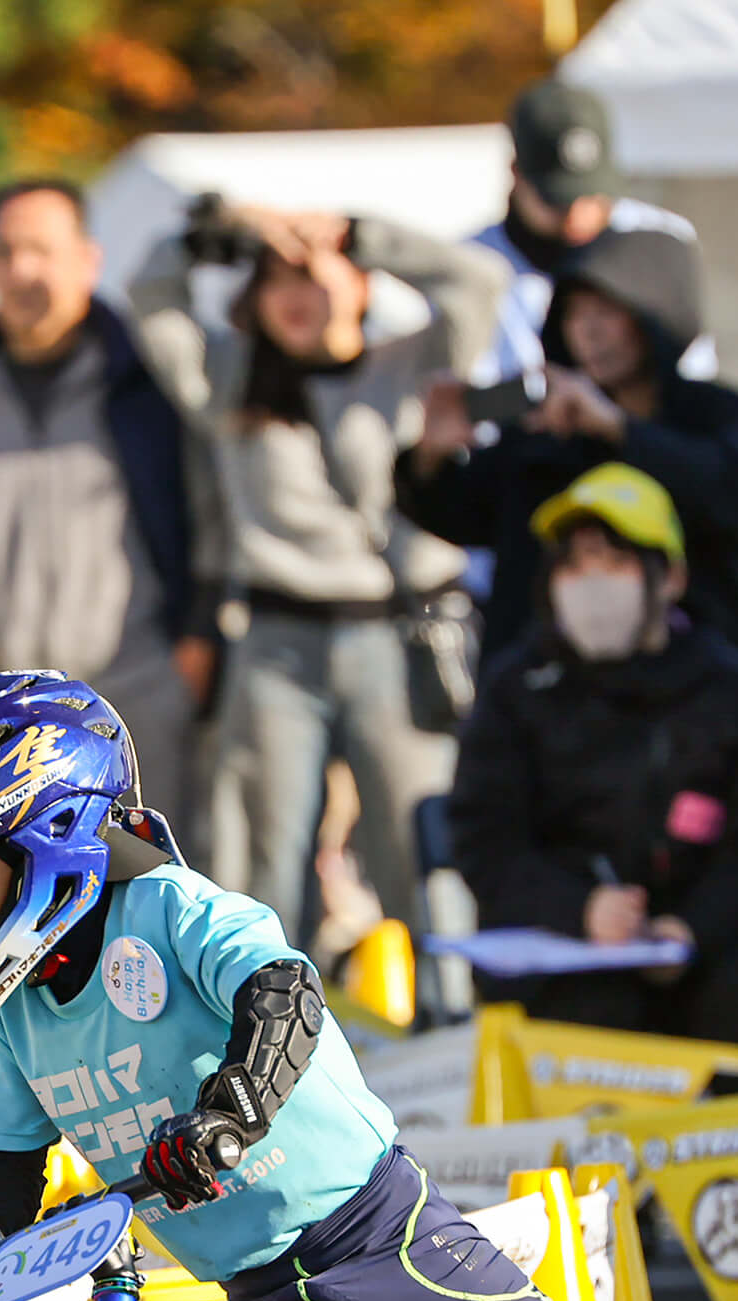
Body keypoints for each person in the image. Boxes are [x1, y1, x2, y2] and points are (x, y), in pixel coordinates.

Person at [0, 668, 612, 1301]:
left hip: (384, 1235)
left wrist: (234, 1109)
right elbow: (1, 1165)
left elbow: (283, 989)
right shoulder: (13, 1016)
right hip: (268, 1298)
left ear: (47, 837)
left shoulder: (172, 908)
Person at [127, 197, 499, 955]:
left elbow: (479, 281)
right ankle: (264, 1036)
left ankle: (449, 1021)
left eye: (315, 275)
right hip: (275, 638)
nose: (297, 295)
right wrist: (227, 233)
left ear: (363, 284)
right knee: (261, 856)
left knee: (419, 848)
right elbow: (151, 293)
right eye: (276, 279)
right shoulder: (229, 380)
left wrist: (361, 232)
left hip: (397, 636)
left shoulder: (412, 364)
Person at [0, 180, 225, 838]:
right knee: (9, 915)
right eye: (4, 252)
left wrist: (194, 651)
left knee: (144, 906)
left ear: (88, 259)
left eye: (41, 250)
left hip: (134, 697)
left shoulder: (147, 384)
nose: (22, 271)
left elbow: (212, 521)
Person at [447, 465, 738, 1045]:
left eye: (615, 562)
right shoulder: (518, 685)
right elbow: (484, 841)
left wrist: (690, 930)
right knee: (592, 1020)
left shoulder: (736, 691)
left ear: (672, 577)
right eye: (574, 564)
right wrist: (579, 910)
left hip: (694, 955)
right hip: (554, 959)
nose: (590, 582)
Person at [397, 226, 738, 688]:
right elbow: (465, 518)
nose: (590, 331)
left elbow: (726, 493)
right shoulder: (545, 424)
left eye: (607, 311)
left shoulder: (713, 413)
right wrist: (432, 457)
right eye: (575, 314)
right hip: (550, 693)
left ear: (653, 312)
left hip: (690, 688)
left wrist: (617, 427)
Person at [468, 79, 714, 392]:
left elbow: (693, 379)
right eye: (556, 200)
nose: (577, 215)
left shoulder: (660, 241)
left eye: (591, 194)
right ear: (516, 175)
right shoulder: (471, 265)